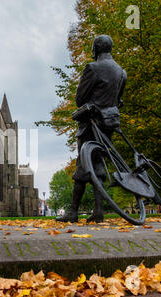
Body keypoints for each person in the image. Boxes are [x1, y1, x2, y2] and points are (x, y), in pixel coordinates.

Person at [56, 35, 127, 224]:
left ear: (95, 49)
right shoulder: (121, 72)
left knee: (83, 164)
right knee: (98, 163)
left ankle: (72, 211)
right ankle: (99, 210)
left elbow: (80, 99)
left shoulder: (92, 68)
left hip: (91, 123)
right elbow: (119, 99)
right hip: (110, 123)